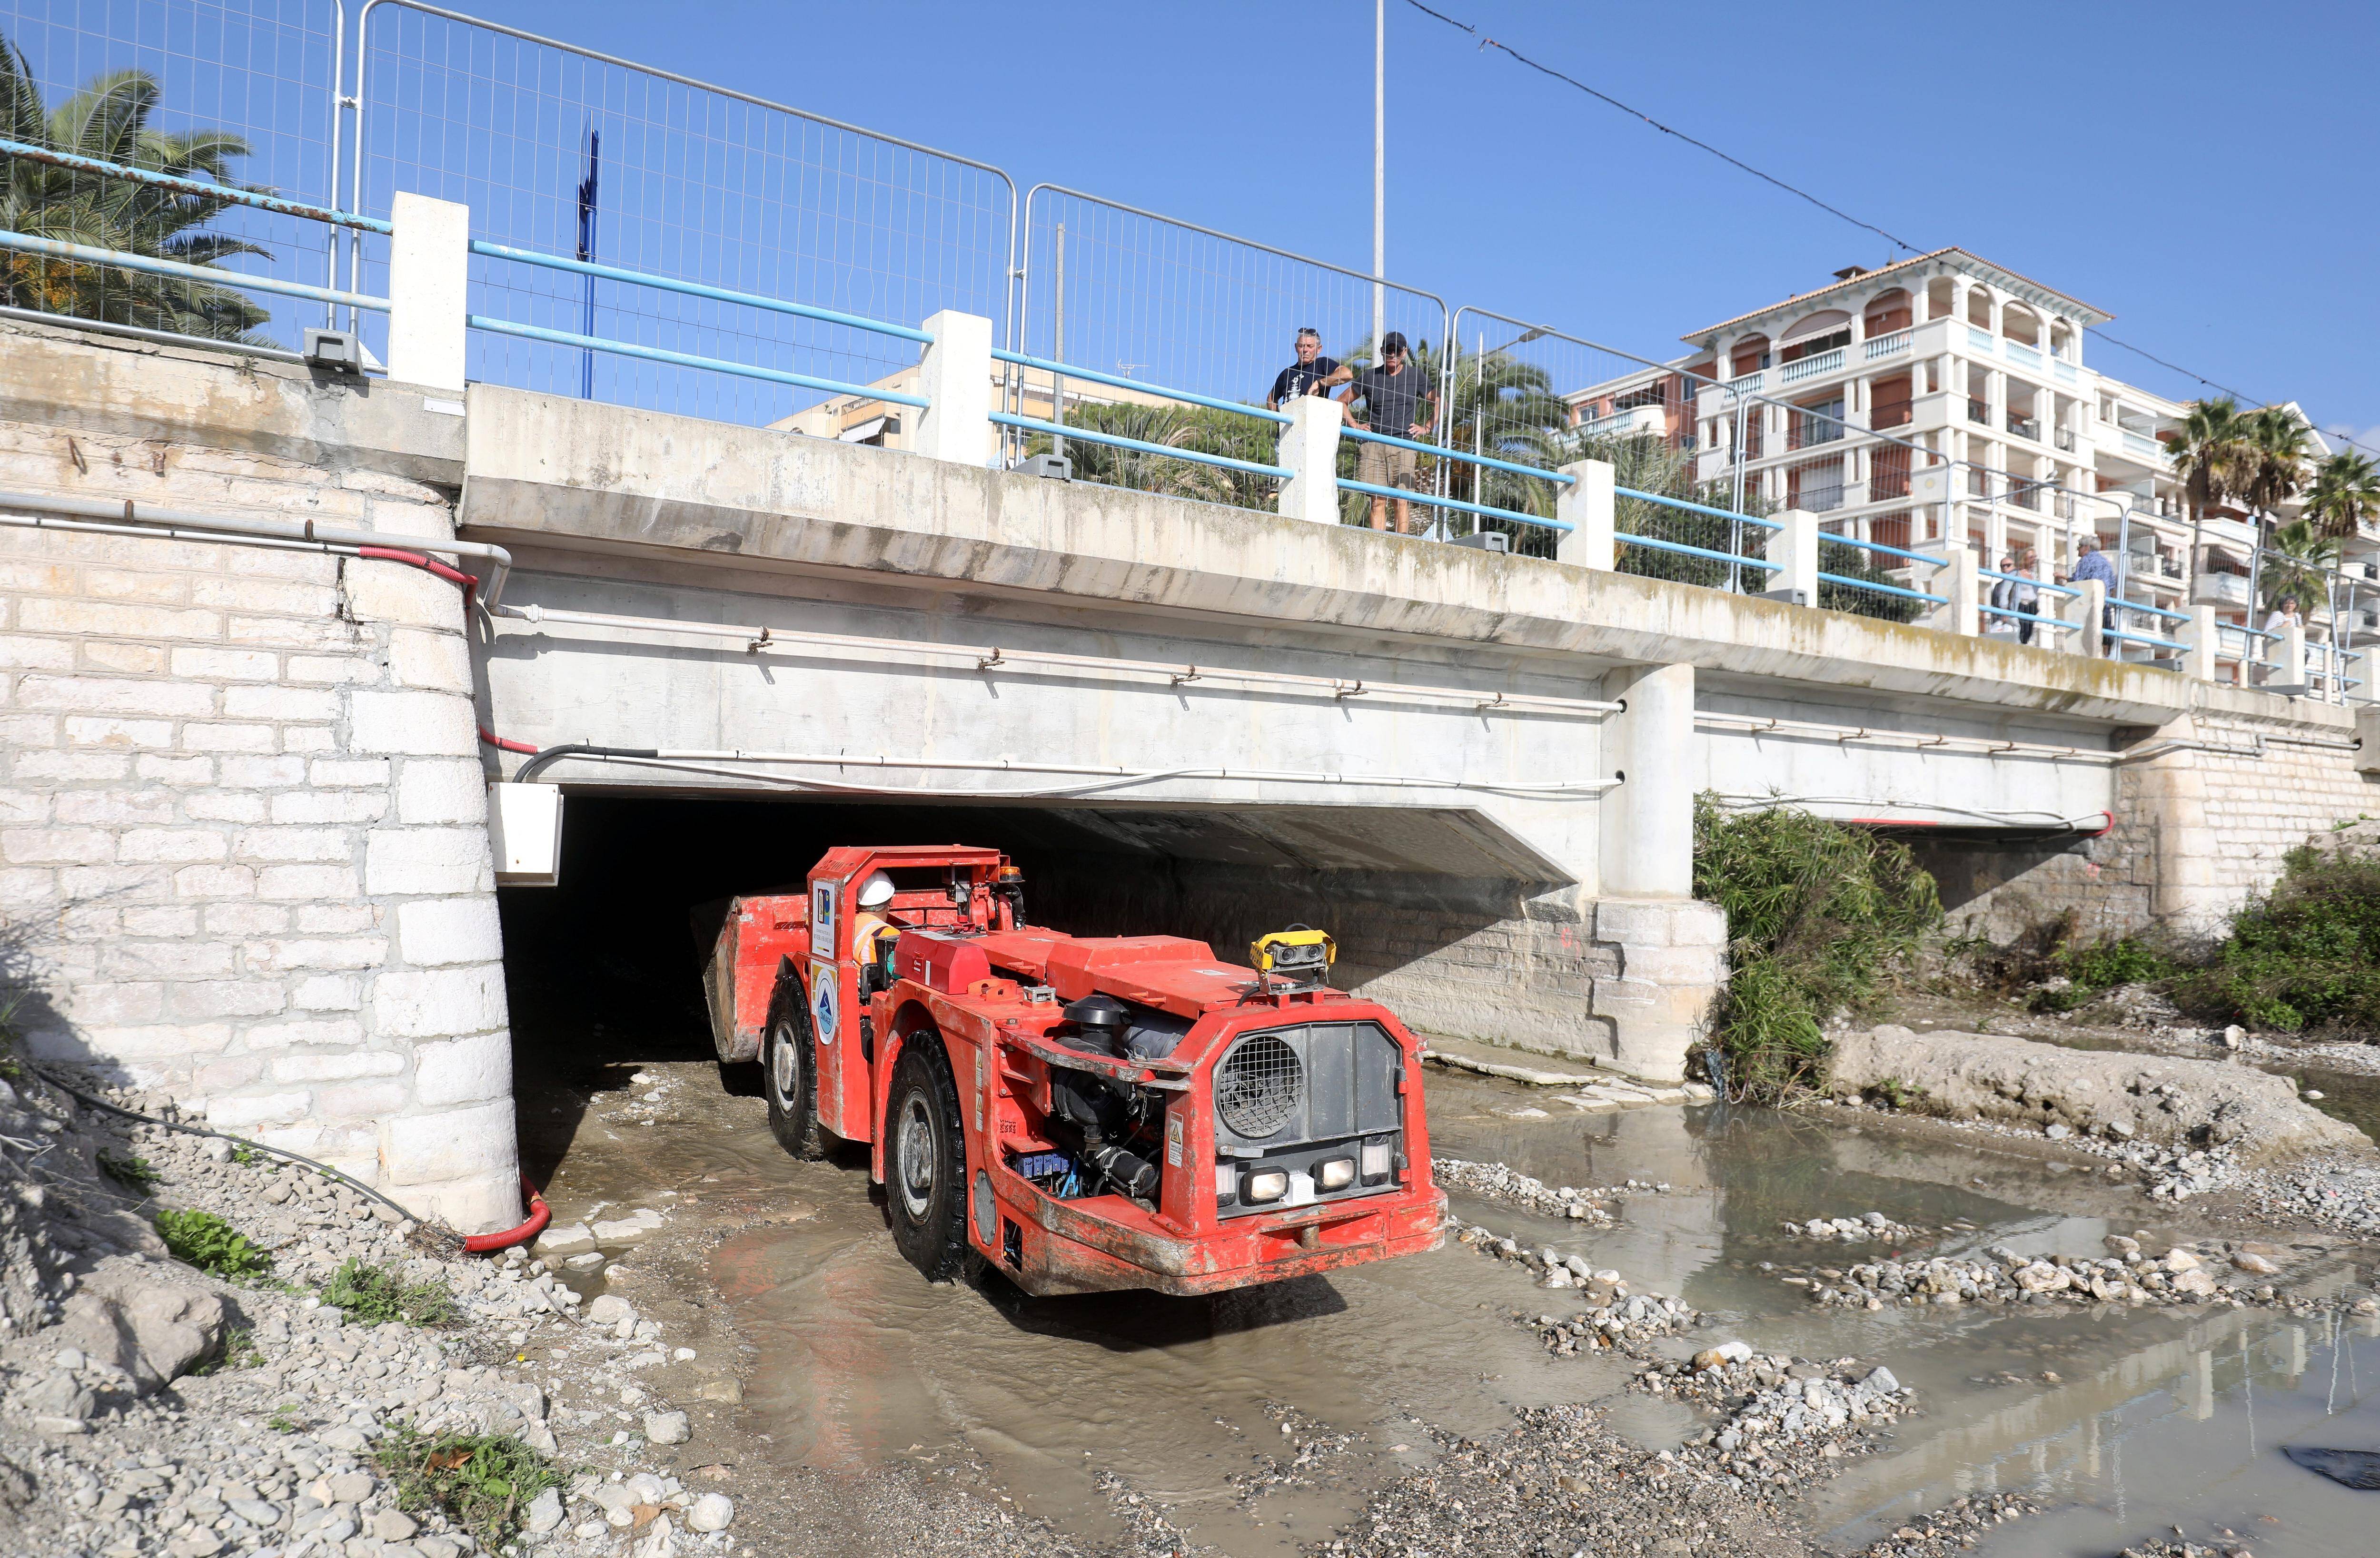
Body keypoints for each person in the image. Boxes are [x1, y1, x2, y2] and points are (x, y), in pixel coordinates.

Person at [1338, 332, 1439, 535]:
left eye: (1397, 350)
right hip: (1374, 445)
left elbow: (1439, 401)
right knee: (1377, 501)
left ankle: (1402, 545)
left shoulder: (1415, 375)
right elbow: (1341, 401)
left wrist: (1427, 427)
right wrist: (1355, 425)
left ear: (1404, 352)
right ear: (1383, 351)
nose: (1393, 354)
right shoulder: (1369, 376)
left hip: (1404, 444)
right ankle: (1378, 543)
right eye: (1389, 350)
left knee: (1401, 500)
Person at [1265, 328, 1350, 410]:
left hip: (1312, 421)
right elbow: (1271, 398)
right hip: (1289, 421)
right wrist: (1280, 422)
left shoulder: (1322, 364)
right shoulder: (1287, 373)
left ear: (1319, 349)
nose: (1305, 350)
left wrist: (1320, 383)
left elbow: (1347, 374)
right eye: (1301, 346)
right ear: (1296, 347)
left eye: (1310, 346)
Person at [2067, 534, 2118, 632]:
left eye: (2080, 547)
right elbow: (2112, 585)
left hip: (2089, 606)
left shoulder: (2086, 560)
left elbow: (2077, 581)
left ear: (2087, 547)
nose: (2078, 550)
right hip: (2104, 605)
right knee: (2104, 636)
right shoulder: (2106, 562)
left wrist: (2062, 578)